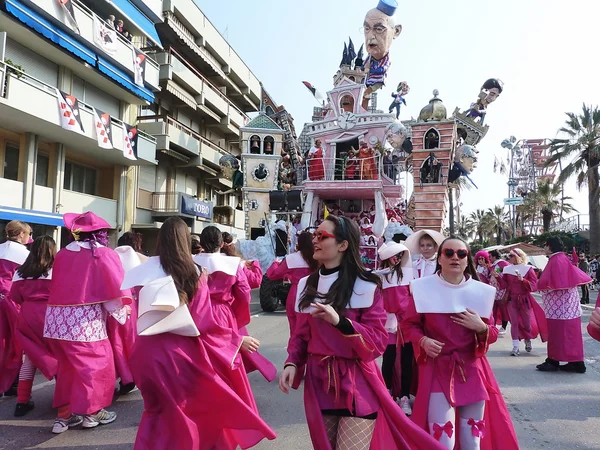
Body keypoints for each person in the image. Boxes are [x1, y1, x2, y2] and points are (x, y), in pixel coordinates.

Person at [279, 216, 445, 450]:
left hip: (357, 381)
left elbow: (377, 341)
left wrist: (341, 322)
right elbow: (301, 335)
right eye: (315, 235)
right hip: (319, 382)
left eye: (322, 236)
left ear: (343, 245)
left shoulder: (366, 284)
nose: (314, 241)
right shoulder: (307, 285)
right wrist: (292, 363)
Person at [121, 217, 275, 449]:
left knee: (155, 411)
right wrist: (236, 339)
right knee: (186, 415)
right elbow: (205, 324)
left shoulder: (140, 272)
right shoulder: (195, 272)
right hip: (179, 354)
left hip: (144, 353)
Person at [403, 237, 519, 449]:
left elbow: (491, 334)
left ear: (468, 260)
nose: (455, 257)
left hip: (473, 369)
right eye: (449, 253)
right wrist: (423, 340)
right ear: (440, 258)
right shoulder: (421, 288)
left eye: (461, 254)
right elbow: (409, 325)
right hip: (438, 368)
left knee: (472, 439)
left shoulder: (482, 292)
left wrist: (481, 327)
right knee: (442, 437)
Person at [44, 211, 131, 434]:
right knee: (94, 367)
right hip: (85, 322)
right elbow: (114, 289)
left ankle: (63, 416)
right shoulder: (102, 253)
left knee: (67, 367)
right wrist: (122, 311)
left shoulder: (63, 254)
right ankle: (91, 414)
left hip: (56, 320)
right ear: (100, 232)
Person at [9, 235, 57, 417]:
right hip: (52, 314)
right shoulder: (57, 270)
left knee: (30, 357)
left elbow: (14, 296)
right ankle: (63, 402)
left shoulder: (20, 271)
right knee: (58, 355)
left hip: (28, 315)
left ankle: (22, 401)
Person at [221, 231, 277, 383]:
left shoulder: (202, 263)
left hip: (208, 310)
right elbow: (253, 282)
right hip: (229, 310)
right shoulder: (236, 263)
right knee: (236, 346)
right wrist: (256, 265)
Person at [536, 237, 591, 373]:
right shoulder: (563, 258)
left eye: (545, 245)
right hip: (569, 307)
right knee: (573, 335)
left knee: (557, 335)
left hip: (558, 308)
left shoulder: (555, 260)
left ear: (549, 246)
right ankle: (576, 362)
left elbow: (547, 283)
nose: (544, 248)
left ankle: (553, 361)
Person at [376, 241, 414, 416]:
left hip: (406, 323)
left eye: (400, 256)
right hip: (388, 323)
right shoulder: (378, 276)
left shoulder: (408, 274)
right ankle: (388, 393)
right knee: (389, 358)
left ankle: (405, 396)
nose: (397, 259)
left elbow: (413, 298)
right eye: (394, 255)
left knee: (407, 360)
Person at [110, 231, 147, 396]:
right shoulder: (141, 259)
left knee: (116, 343)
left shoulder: (111, 257)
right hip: (134, 303)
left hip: (114, 303)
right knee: (133, 343)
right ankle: (133, 377)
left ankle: (123, 377)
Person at [492, 248, 547, 356]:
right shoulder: (507, 269)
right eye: (508, 256)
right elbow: (504, 285)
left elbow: (533, 285)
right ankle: (515, 347)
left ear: (518, 257)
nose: (509, 258)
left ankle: (527, 339)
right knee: (514, 323)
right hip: (511, 299)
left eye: (511, 256)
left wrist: (523, 280)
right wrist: (498, 277)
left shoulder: (528, 269)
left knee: (527, 324)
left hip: (524, 299)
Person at [0, 220, 31, 397]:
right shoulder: (24, 254)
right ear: (20, 234)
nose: (29, 237)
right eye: (28, 234)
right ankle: (11, 383)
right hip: (12, 301)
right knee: (15, 343)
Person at [266, 231, 318, 334]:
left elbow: (274, 275)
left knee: (295, 328)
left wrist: (275, 263)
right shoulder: (319, 257)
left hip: (296, 293)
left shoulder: (291, 258)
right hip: (316, 292)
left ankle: (297, 349)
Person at [489, 249, 510, 335]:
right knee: (494, 308)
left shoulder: (502, 263)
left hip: (501, 290)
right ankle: (493, 325)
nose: (489, 258)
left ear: (494, 256)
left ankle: (504, 327)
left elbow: (506, 276)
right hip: (494, 289)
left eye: (490, 257)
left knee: (502, 308)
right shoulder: (495, 265)